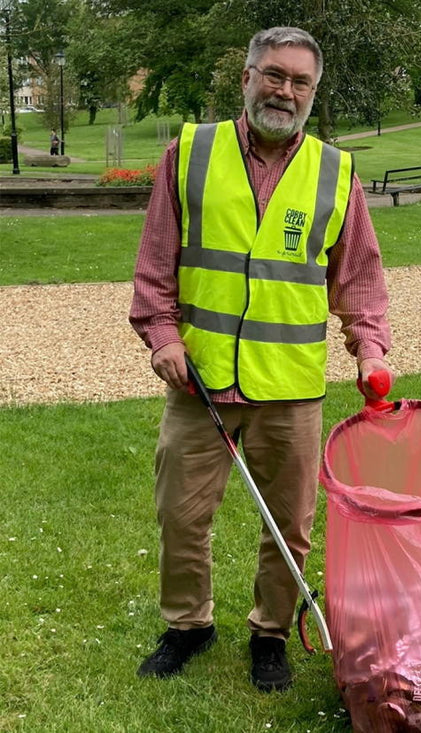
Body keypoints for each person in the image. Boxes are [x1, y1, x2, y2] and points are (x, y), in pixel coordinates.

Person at [129, 26, 391, 692]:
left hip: (292, 387)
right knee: (181, 513)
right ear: (246, 76)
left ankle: (269, 632)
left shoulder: (336, 172)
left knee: (290, 527)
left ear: (313, 92)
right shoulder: (189, 152)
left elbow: (358, 276)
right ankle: (189, 624)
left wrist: (370, 347)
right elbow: (157, 263)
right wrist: (161, 335)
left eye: (301, 81)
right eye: (274, 74)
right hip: (203, 382)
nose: (285, 90)